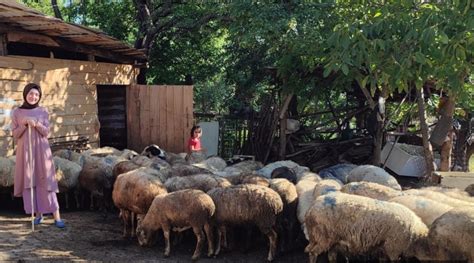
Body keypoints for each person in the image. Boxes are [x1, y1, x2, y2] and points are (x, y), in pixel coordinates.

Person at [12, 83, 65, 228]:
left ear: (39, 97)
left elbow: (47, 132)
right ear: (25, 94)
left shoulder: (43, 111)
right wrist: (24, 125)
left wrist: (36, 124)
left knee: (46, 180)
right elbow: (15, 134)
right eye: (31, 94)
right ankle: (38, 215)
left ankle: (57, 216)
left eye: (36, 94)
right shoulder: (17, 112)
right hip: (26, 152)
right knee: (31, 180)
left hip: (42, 151)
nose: (33, 97)